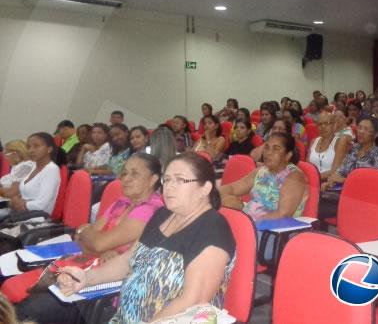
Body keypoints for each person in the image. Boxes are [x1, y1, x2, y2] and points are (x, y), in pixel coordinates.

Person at [54, 153, 235, 323]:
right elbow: (128, 260)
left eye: (180, 180)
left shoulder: (213, 228)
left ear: (205, 189)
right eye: (167, 179)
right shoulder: (162, 215)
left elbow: (194, 301)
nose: (169, 186)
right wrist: (86, 278)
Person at [14, 154, 164, 322]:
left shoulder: (151, 210)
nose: (126, 179)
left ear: (153, 180)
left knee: (30, 309)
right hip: (81, 265)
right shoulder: (121, 202)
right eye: (124, 173)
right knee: (18, 290)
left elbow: (96, 241)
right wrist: (96, 242)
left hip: (103, 286)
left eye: (135, 174)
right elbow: (85, 240)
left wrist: (89, 235)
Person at [220, 132, 307, 220]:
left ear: (288, 155)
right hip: (248, 220)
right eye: (266, 147)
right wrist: (219, 196)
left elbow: (282, 215)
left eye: (276, 149)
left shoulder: (294, 176)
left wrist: (246, 221)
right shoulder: (262, 171)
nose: (268, 153)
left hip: (271, 229)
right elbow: (232, 188)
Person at [0, 133, 60, 220]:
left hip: (34, 219)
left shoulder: (51, 169)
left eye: (36, 146)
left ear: (49, 149)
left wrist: (22, 203)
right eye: (28, 147)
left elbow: (42, 205)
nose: (31, 150)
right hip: (19, 213)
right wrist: (16, 199)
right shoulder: (33, 167)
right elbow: (19, 193)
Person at [321, 116, 378, 190]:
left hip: (368, 196)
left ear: (376, 134)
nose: (360, 131)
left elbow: (377, 182)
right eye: (359, 127)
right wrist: (331, 181)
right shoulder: (354, 148)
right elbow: (341, 171)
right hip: (347, 192)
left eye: (366, 129)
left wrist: (345, 180)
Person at [308, 112, 350, 181]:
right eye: (320, 124)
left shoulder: (340, 141)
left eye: (326, 123)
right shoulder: (313, 141)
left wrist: (313, 178)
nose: (323, 127)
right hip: (312, 182)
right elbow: (308, 167)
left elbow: (334, 171)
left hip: (329, 185)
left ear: (334, 125)